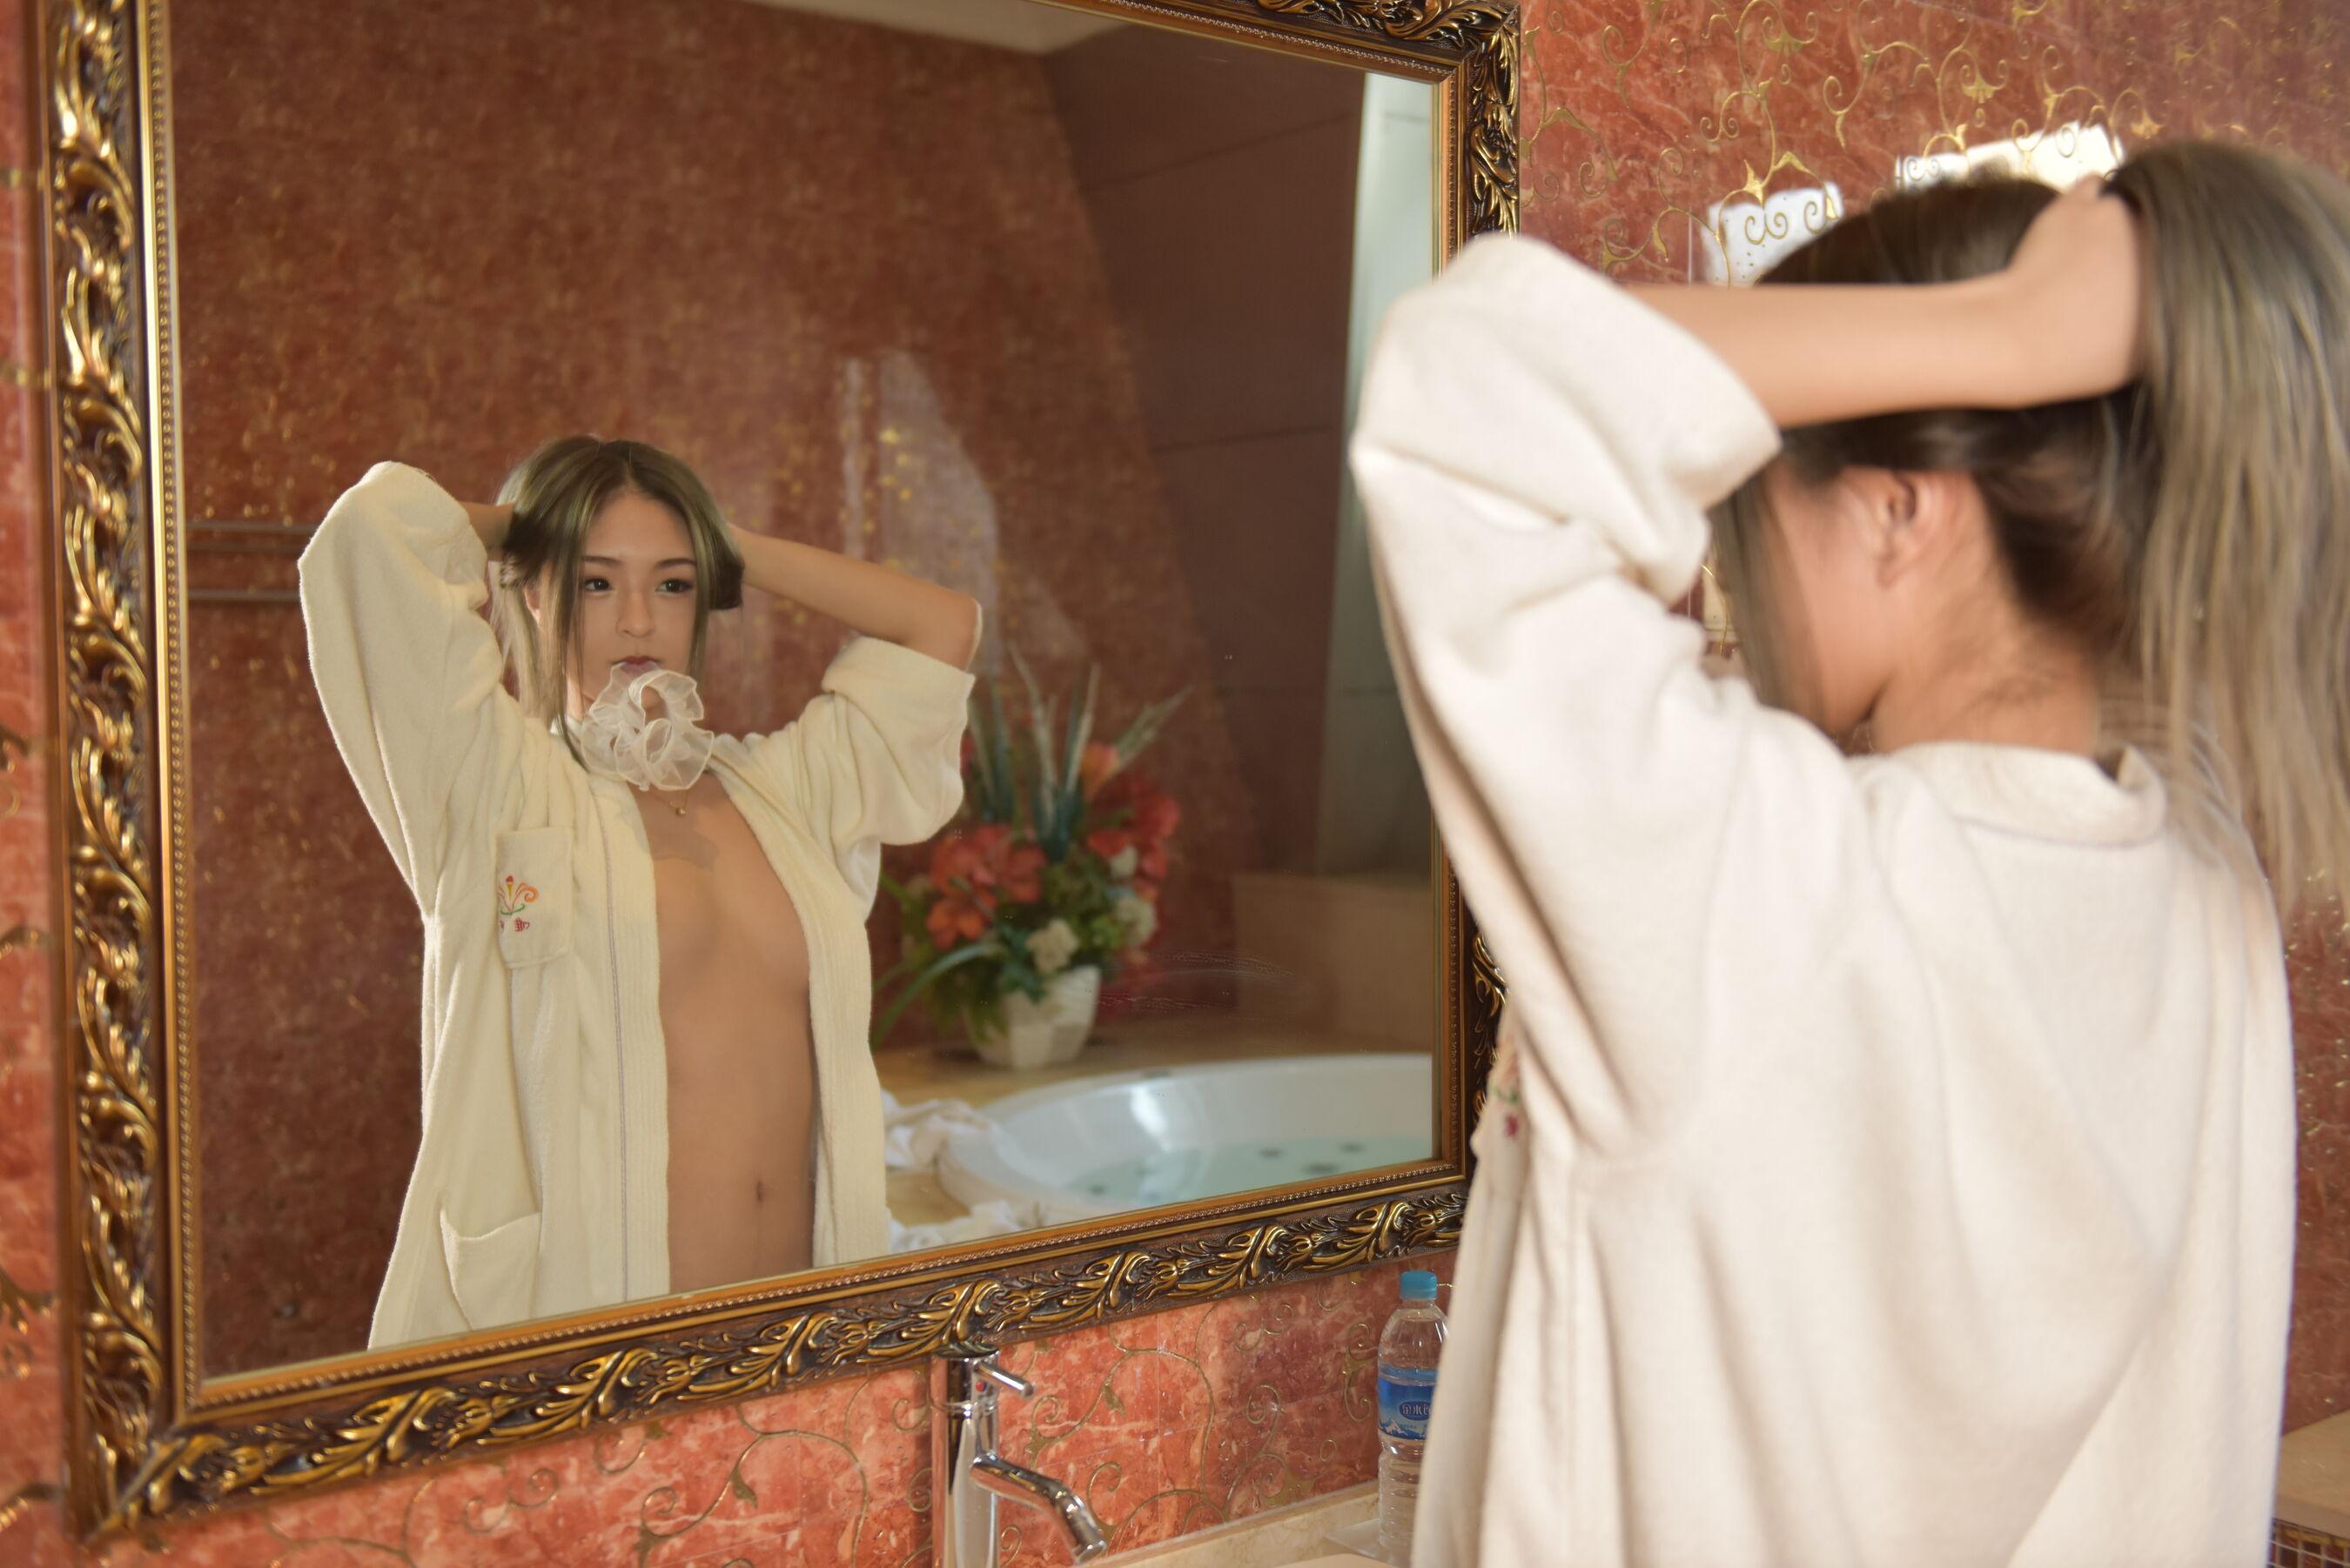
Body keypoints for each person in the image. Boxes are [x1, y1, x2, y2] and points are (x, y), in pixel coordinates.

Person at [1353, 140, 2348, 1566]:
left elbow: (1473, 397)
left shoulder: (1779, 895)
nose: (1731, 573)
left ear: (1897, 509)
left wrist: (2012, 332)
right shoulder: (2204, 877)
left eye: (1753, 507)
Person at [299, 437, 980, 1348]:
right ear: (533, 590)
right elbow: (373, 531)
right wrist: (537, 528)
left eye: (672, 584)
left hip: (806, 1334)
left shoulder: (787, 795)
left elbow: (941, 626)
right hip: (603, 1348)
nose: (636, 620)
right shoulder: (496, 788)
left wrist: (720, 539)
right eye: (594, 582)